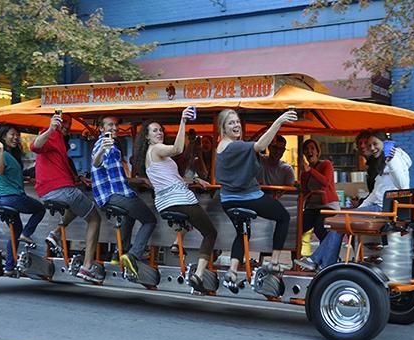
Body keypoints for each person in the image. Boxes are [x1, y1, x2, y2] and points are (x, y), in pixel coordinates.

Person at [295, 131, 412, 270]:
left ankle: (318, 262)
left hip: (383, 209)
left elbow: (403, 186)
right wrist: (359, 208)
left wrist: (391, 161)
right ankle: (324, 264)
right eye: (370, 145)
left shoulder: (394, 158)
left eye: (375, 144)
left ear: (385, 143)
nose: (372, 148)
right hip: (379, 207)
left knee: (340, 221)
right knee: (340, 222)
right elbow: (376, 193)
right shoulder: (382, 162)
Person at [134, 107, 217, 293]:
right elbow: (178, 149)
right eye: (154, 130)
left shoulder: (151, 155)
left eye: (160, 130)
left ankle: (176, 242)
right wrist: (183, 121)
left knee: (190, 222)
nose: (159, 132)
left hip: (165, 203)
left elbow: (173, 178)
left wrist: (194, 180)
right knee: (211, 233)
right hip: (179, 199)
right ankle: (198, 275)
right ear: (147, 137)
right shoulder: (156, 149)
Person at [215, 108, 297, 288]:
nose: (236, 125)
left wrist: (265, 129)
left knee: (242, 232)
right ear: (223, 129)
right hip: (247, 197)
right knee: (283, 217)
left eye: (237, 122)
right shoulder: (234, 145)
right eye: (231, 123)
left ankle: (233, 269)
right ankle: (274, 261)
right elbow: (259, 146)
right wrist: (279, 121)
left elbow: (252, 145)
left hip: (227, 201)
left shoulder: (222, 146)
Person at [31, 113, 102, 283]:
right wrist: (50, 128)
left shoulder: (60, 141)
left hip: (50, 191)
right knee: (95, 219)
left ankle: (55, 234)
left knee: (76, 205)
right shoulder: (51, 134)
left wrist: (78, 179)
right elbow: (34, 146)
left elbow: (60, 168)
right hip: (61, 190)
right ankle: (87, 266)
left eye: (69, 124)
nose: (67, 126)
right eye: (65, 122)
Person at [91, 115, 157, 277]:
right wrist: (102, 151)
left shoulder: (108, 145)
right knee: (150, 220)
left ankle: (118, 254)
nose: (114, 128)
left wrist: (139, 179)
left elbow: (117, 177)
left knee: (130, 215)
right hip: (115, 196)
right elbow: (96, 162)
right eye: (110, 125)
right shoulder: (106, 145)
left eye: (116, 125)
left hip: (107, 196)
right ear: (101, 128)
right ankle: (133, 256)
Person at [0, 125, 46, 276]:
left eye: (17, 135)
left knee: (15, 232)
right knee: (40, 209)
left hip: (2, 200)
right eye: (12, 134)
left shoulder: (11, 155)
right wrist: (0, 149)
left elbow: (9, 175)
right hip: (11, 198)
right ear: (3, 136)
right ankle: (27, 234)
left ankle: (9, 267)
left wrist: (25, 177)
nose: (16, 137)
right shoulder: (1, 154)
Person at [300, 139, 340, 243]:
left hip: (329, 206)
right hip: (312, 207)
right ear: (304, 153)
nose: (309, 151)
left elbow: (326, 182)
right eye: (306, 149)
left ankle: (328, 255)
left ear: (317, 152)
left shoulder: (326, 164)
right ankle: (296, 257)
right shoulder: (304, 173)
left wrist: (310, 170)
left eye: (312, 148)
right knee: (297, 227)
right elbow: (305, 191)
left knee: (320, 228)